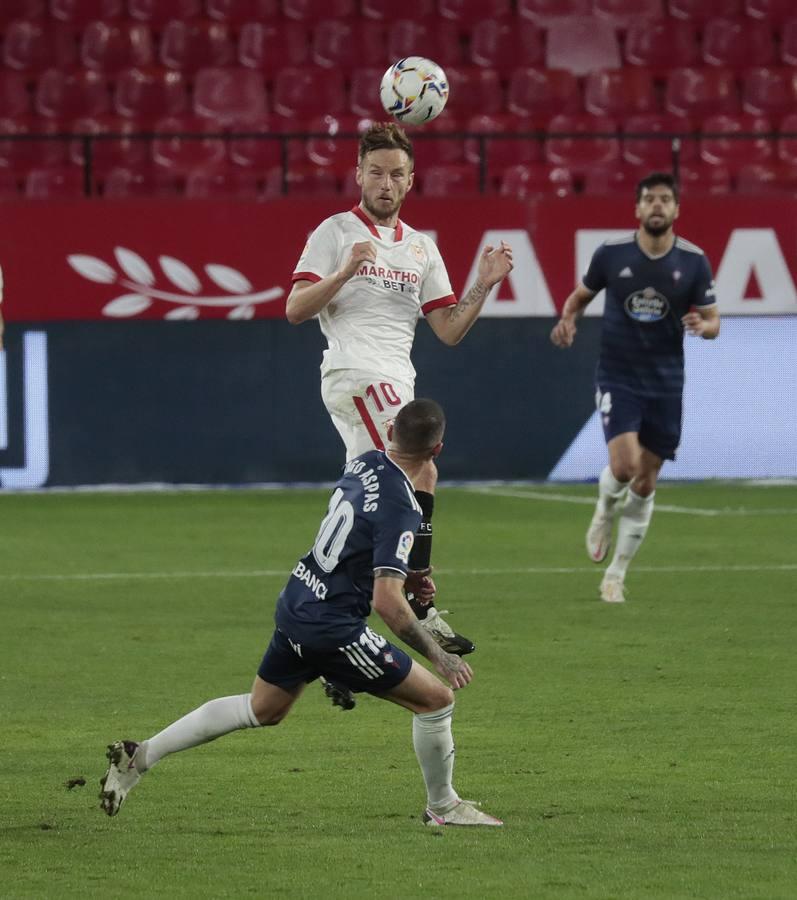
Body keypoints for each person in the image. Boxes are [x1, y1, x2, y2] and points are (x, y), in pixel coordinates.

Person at [99, 399, 503, 828]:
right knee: (437, 701)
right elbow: (387, 602)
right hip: (332, 625)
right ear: (437, 451)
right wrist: (437, 655)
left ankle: (139, 757)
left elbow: (360, 541)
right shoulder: (402, 508)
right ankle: (443, 807)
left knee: (262, 708)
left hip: (299, 599)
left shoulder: (364, 462)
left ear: (390, 434)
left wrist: (404, 576)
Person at [286, 122, 513, 674]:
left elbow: (450, 330)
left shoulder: (421, 249)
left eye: (396, 174)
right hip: (355, 374)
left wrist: (484, 283)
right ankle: (417, 598)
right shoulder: (335, 231)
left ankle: (325, 598)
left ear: (411, 181)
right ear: (358, 175)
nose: (385, 182)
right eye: (376, 172)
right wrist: (344, 271)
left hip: (396, 380)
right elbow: (296, 308)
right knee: (419, 469)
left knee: (368, 493)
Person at [550, 172, 720, 604]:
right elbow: (580, 296)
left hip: (666, 383)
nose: (658, 205)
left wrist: (705, 324)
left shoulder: (694, 261)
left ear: (677, 209)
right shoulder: (612, 254)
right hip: (619, 375)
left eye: (665, 199)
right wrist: (568, 318)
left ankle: (616, 574)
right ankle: (604, 508)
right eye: (650, 199)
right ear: (638, 209)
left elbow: (714, 319)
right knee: (624, 467)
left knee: (645, 482)